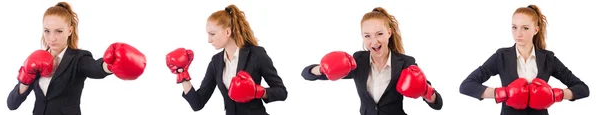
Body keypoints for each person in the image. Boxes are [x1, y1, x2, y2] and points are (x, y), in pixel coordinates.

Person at [7, 2, 147, 115]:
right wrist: (25, 78)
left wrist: (109, 65)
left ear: (70, 30)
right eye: (47, 31)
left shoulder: (78, 59)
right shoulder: (37, 59)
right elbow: (11, 105)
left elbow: (94, 68)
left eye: (59, 31)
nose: (52, 38)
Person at [301, 7, 443, 115]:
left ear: (389, 32)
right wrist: (321, 68)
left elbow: (437, 104)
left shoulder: (405, 62)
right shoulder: (358, 61)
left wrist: (426, 92)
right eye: (367, 36)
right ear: (362, 37)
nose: (374, 41)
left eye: (379, 34)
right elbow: (306, 74)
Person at [459, 4, 590, 115]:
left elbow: (583, 89)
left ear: (536, 30)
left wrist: (555, 95)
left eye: (525, 28)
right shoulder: (501, 56)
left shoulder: (548, 58)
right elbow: (466, 86)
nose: (518, 33)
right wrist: (502, 93)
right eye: (514, 27)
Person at [165, 4, 287, 115]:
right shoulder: (216, 62)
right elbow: (198, 103)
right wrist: (183, 74)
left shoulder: (256, 54)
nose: (209, 40)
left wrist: (258, 91)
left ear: (227, 32)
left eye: (212, 34)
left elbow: (282, 92)